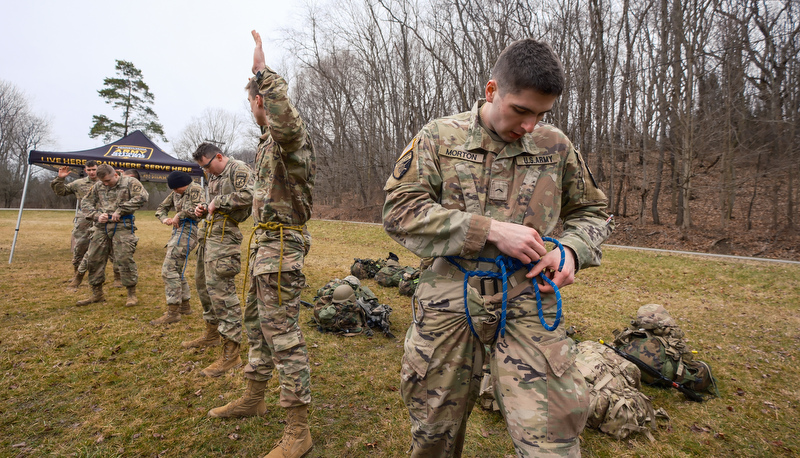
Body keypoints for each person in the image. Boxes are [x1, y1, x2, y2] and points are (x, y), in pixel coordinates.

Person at [382, 38, 615, 457]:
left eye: (541, 113)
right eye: (521, 110)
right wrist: (487, 230)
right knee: (434, 430)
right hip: (449, 297)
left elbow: (594, 213)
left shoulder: (555, 146)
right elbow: (399, 212)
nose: (530, 125)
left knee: (551, 438)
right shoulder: (440, 137)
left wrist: (572, 250)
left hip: (527, 298)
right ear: (492, 92)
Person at [206, 30, 316, 458]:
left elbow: (285, 121)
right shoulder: (267, 144)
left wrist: (262, 73)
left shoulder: (290, 138)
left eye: (252, 102)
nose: (252, 109)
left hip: (283, 248)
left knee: (283, 333)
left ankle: (298, 429)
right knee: (256, 325)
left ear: (259, 103)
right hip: (264, 247)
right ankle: (254, 396)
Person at [182, 142, 253, 378]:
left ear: (219, 157)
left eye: (207, 166)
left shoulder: (238, 169)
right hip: (209, 235)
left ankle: (232, 354)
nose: (206, 172)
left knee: (222, 293)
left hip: (225, 239)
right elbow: (214, 202)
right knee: (203, 286)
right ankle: (212, 333)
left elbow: (251, 194)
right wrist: (204, 208)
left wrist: (218, 203)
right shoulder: (214, 175)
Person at [76, 164, 149, 307]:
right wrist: (96, 215)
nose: (105, 184)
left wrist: (121, 210)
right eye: (103, 182)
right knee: (94, 258)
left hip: (122, 225)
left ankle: (131, 294)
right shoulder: (98, 186)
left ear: (115, 174)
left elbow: (142, 197)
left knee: (124, 258)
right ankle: (97, 294)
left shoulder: (130, 182)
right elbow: (85, 202)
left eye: (108, 181)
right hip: (101, 226)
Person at [151, 171, 206, 326]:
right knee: (176, 269)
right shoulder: (176, 192)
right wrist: (164, 219)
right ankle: (184, 306)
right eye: (173, 189)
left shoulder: (195, 189)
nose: (175, 192)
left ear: (185, 184)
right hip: (177, 231)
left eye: (177, 189)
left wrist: (179, 215)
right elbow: (161, 208)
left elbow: (198, 209)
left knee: (168, 270)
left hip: (190, 231)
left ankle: (173, 312)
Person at [50, 161, 99, 288]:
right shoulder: (79, 183)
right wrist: (60, 179)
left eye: (94, 169)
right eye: (89, 170)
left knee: (109, 248)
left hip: (103, 217)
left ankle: (116, 276)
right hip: (85, 218)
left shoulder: (106, 181)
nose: (92, 172)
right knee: (81, 246)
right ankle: (77, 274)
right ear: (85, 170)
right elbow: (61, 192)